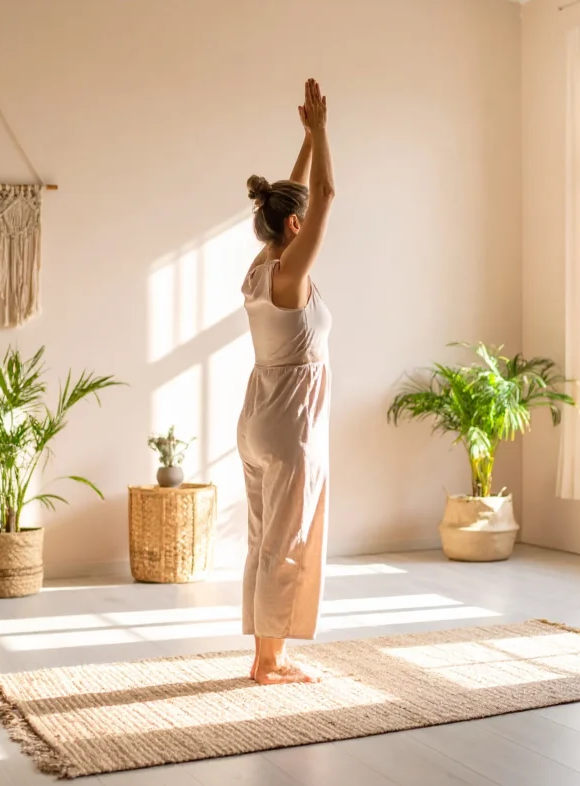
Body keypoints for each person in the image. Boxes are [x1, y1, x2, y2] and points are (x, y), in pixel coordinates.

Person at [237, 79, 335, 685]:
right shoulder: (291, 273)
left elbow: (295, 196)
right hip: (290, 422)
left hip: (256, 417)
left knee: (263, 538)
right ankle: (268, 662)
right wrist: (322, 131)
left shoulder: (258, 267)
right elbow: (323, 195)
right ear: (294, 225)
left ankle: (263, 651)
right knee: (286, 541)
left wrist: (303, 140)